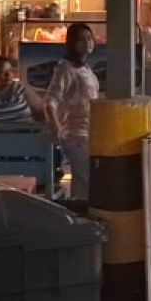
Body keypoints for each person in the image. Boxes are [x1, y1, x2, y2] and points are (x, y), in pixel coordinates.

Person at [46, 23, 99, 200]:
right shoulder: (65, 69)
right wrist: (56, 127)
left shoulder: (85, 69)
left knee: (82, 183)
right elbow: (51, 100)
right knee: (91, 179)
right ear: (72, 43)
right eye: (81, 39)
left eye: (90, 38)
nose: (87, 43)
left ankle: (79, 216)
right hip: (74, 136)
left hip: (87, 133)